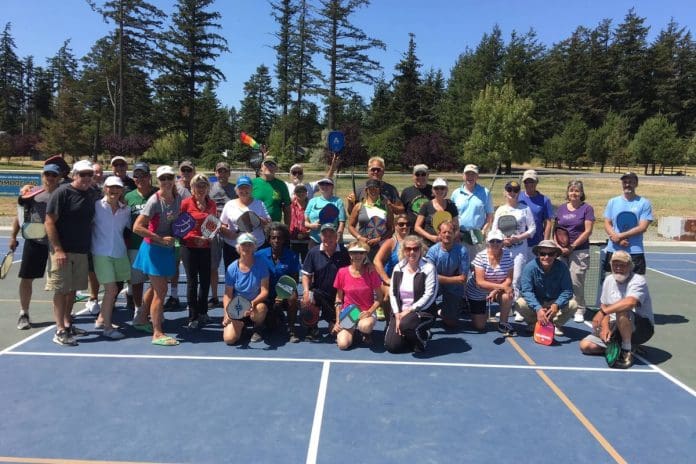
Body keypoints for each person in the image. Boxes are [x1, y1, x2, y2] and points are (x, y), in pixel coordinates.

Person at [44, 159, 100, 346]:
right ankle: (59, 329)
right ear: (74, 175)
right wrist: (58, 249)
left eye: (89, 174)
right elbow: (49, 221)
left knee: (72, 290)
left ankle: (68, 323)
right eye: (82, 174)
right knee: (61, 290)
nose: (86, 178)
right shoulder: (63, 192)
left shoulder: (92, 193)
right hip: (62, 251)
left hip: (81, 250)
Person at [132, 166, 182, 346]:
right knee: (161, 292)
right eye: (163, 178)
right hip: (153, 250)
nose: (166, 181)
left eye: (169, 177)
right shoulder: (154, 201)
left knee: (154, 288)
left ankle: (140, 320)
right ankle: (157, 332)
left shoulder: (177, 198)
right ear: (158, 180)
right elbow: (137, 227)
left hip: (166, 249)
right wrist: (159, 238)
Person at [579, 251, 654, 369]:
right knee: (586, 346)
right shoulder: (609, 280)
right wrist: (605, 327)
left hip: (642, 328)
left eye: (622, 265)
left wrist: (603, 312)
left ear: (630, 266)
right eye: (615, 265)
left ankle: (626, 350)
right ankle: (619, 346)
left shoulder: (638, 280)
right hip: (615, 325)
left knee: (622, 310)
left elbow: (630, 303)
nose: (618, 268)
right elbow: (605, 306)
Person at [11, 164, 61, 330]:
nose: (50, 178)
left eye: (53, 175)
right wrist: (13, 236)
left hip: (58, 244)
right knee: (27, 279)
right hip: (35, 242)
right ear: (42, 176)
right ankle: (23, 313)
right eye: (47, 174)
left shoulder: (64, 193)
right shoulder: (31, 194)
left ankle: (63, 316)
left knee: (62, 282)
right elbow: (19, 216)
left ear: (59, 177)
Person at [91, 176, 131, 339]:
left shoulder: (126, 210)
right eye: (110, 187)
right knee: (111, 289)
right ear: (105, 188)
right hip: (101, 253)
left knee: (117, 286)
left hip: (119, 253)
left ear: (122, 190)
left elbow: (132, 228)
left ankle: (102, 318)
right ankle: (107, 328)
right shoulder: (95, 206)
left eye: (117, 188)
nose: (114, 191)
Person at [385, 235, 438, 353]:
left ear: (421, 250)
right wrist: (397, 314)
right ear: (404, 251)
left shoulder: (429, 268)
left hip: (422, 312)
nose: (412, 252)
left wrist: (409, 311)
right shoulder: (398, 267)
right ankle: (410, 333)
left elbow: (430, 295)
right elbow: (393, 293)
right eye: (408, 249)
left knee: (406, 326)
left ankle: (421, 338)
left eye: (415, 248)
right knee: (392, 347)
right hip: (401, 313)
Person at [516, 240, 577, 336]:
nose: (546, 257)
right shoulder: (529, 268)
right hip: (537, 301)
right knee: (520, 303)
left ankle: (556, 324)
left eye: (551, 254)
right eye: (543, 254)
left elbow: (567, 290)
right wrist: (538, 308)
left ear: (556, 255)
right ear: (538, 254)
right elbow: (527, 291)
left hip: (554, 301)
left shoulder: (562, 267)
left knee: (573, 304)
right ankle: (533, 322)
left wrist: (557, 304)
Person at [301, 223, 351, 341]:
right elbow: (306, 275)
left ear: (336, 237)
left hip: (340, 296)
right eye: (325, 235)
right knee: (307, 300)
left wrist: (369, 265)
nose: (328, 238)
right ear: (320, 236)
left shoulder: (345, 252)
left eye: (331, 235)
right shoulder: (313, 252)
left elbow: (358, 266)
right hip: (320, 293)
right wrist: (306, 291)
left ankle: (343, 325)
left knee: (336, 332)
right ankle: (312, 328)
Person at [554, 180, 595, 323]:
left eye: (577, 191)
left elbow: (588, 230)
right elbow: (556, 229)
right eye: (571, 190)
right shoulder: (561, 209)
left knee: (576, 280)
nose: (574, 193)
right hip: (561, 250)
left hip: (579, 250)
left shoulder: (587, 209)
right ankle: (562, 306)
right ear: (567, 192)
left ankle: (579, 309)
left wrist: (572, 246)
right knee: (560, 281)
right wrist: (558, 246)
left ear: (582, 193)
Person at [180, 174, 217, 329]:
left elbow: (213, 224)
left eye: (203, 185)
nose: (200, 188)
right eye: (197, 185)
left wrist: (206, 239)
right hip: (189, 248)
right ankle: (193, 316)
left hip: (206, 247)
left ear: (208, 188)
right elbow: (180, 226)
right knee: (192, 282)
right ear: (192, 188)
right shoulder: (185, 203)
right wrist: (193, 237)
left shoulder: (212, 204)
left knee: (205, 281)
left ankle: (203, 312)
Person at [332, 240, 383, 349]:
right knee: (343, 345)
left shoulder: (371, 272)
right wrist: (338, 320)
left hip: (366, 312)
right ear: (349, 254)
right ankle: (351, 330)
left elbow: (379, 297)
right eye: (354, 252)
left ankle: (365, 333)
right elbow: (338, 298)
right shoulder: (342, 272)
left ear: (365, 254)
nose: (357, 255)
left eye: (361, 252)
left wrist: (369, 312)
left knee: (364, 326)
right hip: (350, 313)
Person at [255, 222, 301, 343]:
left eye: (279, 238)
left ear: (284, 239)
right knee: (271, 325)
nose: (276, 240)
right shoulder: (259, 255)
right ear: (268, 239)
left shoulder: (292, 256)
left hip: (284, 293)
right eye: (273, 237)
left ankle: (291, 329)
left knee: (293, 297)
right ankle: (257, 329)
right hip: (265, 293)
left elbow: (294, 279)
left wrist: (282, 294)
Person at [465, 230, 516, 335]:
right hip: (477, 291)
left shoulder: (508, 255)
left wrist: (495, 291)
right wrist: (498, 288)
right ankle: (468, 305)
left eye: (498, 241)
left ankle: (503, 323)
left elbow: (509, 279)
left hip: (497, 290)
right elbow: (480, 282)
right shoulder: (480, 257)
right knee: (480, 326)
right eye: (492, 241)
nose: (495, 243)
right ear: (488, 242)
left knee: (508, 294)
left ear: (502, 242)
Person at [124, 162, 157, 322]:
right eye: (136, 176)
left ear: (149, 177)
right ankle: (138, 308)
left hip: (155, 245)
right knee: (136, 281)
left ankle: (152, 308)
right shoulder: (128, 197)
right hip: (135, 246)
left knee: (156, 281)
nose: (140, 179)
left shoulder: (158, 194)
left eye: (143, 175)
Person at [222, 233, 269, 344]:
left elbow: (265, 291)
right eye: (244, 244)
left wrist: (252, 303)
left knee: (261, 308)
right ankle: (240, 324)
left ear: (254, 247)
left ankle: (257, 328)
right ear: (238, 247)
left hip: (255, 304)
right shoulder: (232, 268)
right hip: (237, 306)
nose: (246, 248)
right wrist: (227, 313)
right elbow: (227, 295)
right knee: (229, 340)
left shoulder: (261, 265)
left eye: (249, 245)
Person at [491, 180, 535, 296]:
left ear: (519, 192)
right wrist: (502, 240)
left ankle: (517, 307)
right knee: (503, 278)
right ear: (505, 192)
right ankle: (505, 305)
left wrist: (519, 238)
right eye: (509, 190)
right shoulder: (500, 210)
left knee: (517, 277)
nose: (512, 192)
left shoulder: (525, 209)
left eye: (515, 190)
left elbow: (532, 229)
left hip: (520, 249)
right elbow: (494, 230)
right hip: (503, 249)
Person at [603, 172, 653, 275]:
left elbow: (642, 227)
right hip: (614, 250)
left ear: (636, 184)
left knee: (635, 287)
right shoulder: (612, 202)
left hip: (635, 251)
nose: (627, 184)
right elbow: (607, 223)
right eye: (625, 182)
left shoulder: (644, 203)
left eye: (631, 182)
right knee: (614, 286)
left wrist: (620, 236)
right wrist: (616, 240)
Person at [219, 175, 271, 267]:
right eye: (241, 188)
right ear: (236, 190)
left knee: (257, 277)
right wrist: (229, 233)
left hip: (256, 247)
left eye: (247, 188)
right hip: (233, 247)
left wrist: (258, 219)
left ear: (251, 189)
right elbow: (222, 224)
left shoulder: (259, 204)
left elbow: (268, 225)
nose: (244, 191)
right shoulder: (229, 204)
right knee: (233, 277)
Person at [425, 220, 468, 328]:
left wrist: (437, 277)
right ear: (439, 234)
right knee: (427, 317)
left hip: (454, 288)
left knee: (451, 323)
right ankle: (433, 308)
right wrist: (454, 278)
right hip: (435, 285)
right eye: (444, 232)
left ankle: (442, 310)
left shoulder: (462, 251)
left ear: (455, 234)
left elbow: (463, 279)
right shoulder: (432, 251)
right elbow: (429, 276)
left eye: (450, 232)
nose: (447, 235)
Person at [450, 164, 494, 265]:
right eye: (467, 174)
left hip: (477, 236)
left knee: (477, 266)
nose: (470, 177)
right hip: (459, 235)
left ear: (477, 176)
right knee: (460, 265)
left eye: (473, 174)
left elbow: (489, 216)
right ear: (463, 176)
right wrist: (455, 233)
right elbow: (451, 216)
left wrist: (483, 232)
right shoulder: (456, 193)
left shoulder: (485, 192)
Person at [165, 161, 194, 310]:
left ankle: (191, 297)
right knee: (175, 265)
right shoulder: (175, 188)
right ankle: (174, 295)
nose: (186, 173)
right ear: (180, 172)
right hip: (177, 234)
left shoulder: (199, 186)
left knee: (192, 267)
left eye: (189, 170)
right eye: (184, 170)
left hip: (194, 235)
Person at [208, 161, 237, 308]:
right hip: (213, 228)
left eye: (225, 171)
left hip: (230, 230)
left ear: (229, 173)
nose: (222, 174)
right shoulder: (209, 188)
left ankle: (231, 294)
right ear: (215, 173)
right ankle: (213, 296)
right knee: (213, 266)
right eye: (219, 171)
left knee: (231, 267)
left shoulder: (235, 189)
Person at [374, 213, 411, 321]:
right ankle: (389, 321)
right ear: (395, 226)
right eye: (401, 224)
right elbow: (376, 261)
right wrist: (386, 279)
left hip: (407, 280)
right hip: (390, 280)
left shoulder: (413, 242)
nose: (405, 226)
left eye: (407, 224)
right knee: (390, 295)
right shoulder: (391, 242)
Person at [347, 178, 394, 259]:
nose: (373, 190)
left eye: (375, 188)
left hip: (381, 246)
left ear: (379, 190)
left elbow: (391, 229)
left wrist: (379, 239)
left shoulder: (386, 206)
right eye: (370, 188)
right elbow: (351, 226)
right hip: (363, 246)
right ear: (366, 190)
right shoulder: (359, 206)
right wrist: (360, 237)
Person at [414, 177, 459, 246]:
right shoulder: (426, 205)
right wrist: (430, 237)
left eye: (442, 188)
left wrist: (449, 239)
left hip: (447, 245)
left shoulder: (451, 206)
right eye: (436, 188)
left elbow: (457, 228)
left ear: (446, 190)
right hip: (428, 245)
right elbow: (417, 227)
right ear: (432, 190)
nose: (439, 190)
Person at [305, 177, 346, 247]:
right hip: (315, 240)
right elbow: (305, 222)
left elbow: (342, 222)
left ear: (332, 187)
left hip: (332, 240)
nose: (324, 186)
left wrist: (339, 235)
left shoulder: (338, 201)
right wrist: (311, 226)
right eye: (322, 184)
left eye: (327, 184)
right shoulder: (312, 201)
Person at [518, 169, 554, 247]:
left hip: (536, 243)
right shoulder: (517, 197)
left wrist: (545, 243)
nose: (529, 184)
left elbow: (548, 223)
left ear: (537, 182)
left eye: (532, 181)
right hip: (519, 242)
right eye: (526, 182)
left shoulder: (544, 200)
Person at [252, 156, 291, 225]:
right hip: (255, 227)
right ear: (261, 167)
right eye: (267, 164)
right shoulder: (252, 183)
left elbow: (287, 209)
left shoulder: (281, 185)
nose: (269, 167)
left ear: (276, 168)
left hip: (274, 228)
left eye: (272, 165)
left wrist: (287, 228)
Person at [400, 164, 433, 229]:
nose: (420, 177)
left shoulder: (434, 190)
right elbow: (402, 212)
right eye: (417, 174)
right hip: (411, 232)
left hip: (430, 231)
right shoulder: (406, 192)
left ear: (428, 175)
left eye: (423, 174)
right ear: (413, 176)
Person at [289, 183, 311, 260]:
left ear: (306, 193)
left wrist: (306, 234)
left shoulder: (311, 205)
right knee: (293, 264)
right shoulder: (289, 205)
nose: (301, 193)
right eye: (298, 192)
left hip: (308, 240)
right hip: (292, 239)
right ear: (294, 194)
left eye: (303, 191)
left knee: (306, 264)